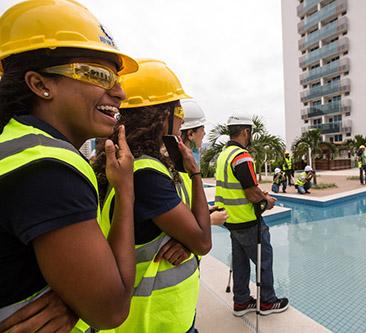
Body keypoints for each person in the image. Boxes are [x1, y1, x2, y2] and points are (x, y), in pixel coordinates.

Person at [0, 1, 139, 332]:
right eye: (99, 74)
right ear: (40, 84)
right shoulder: (45, 167)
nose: (119, 92)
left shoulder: (14, 144)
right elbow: (112, 310)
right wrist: (126, 191)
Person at [94, 59, 217, 333]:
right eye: (178, 109)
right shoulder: (146, 174)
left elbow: (187, 235)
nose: (182, 118)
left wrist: (186, 241)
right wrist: (196, 174)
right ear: (161, 116)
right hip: (153, 320)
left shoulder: (137, 164)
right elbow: (203, 241)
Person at [215, 115, 289, 317]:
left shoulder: (224, 155)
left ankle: (241, 301)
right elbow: (250, 192)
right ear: (246, 132)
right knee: (264, 259)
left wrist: (260, 194)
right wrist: (267, 201)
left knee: (239, 261)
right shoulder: (241, 156)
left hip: (231, 220)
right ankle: (267, 302)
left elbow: (240, 187)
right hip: (248, 221)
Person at [180, 98, 228, 224]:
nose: (205, 133)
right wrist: (209, 220)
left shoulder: (186, 164)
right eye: (202, 129)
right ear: (190, 134)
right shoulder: (178, 168)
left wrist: (204, 210)